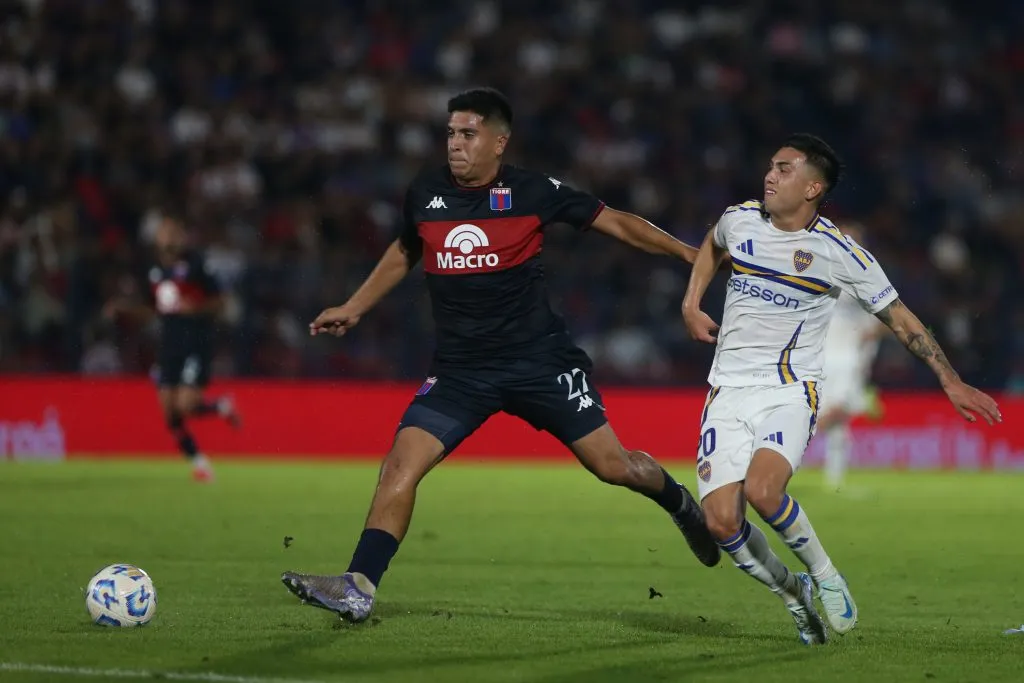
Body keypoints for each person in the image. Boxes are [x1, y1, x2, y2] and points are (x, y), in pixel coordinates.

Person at [281, 87, 720, 623]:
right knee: (400, 466)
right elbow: (405, 250)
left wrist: (687, 253)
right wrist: (355, 305)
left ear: (498, 142)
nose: (455, 145)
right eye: (450, 134)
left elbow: (616, 221)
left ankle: (678, 503)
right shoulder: (425, 192)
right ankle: (358, 585)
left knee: (615, 466)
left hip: (540, 363)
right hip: (461, 372)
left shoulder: (533, 190)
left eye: (468, 135)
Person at [681, 133, 1001, 645]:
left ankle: (827, 576)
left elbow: (899, 318)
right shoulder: (739, 218)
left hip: (789, 390)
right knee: (721, 526)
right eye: (770, 166)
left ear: (812, 188)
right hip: (727, 392)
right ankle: (794, 595)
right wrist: (691, 302)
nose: (770, 175)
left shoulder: (839, 253)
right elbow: (712, 244)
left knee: (764, 492)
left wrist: (950, 378)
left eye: (783, 169)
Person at [105, 215, 240, 482]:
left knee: (186, 405)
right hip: (168, 346)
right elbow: (151, 310)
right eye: (165, 232)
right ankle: (200, 464)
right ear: (157, 239)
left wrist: (197, 308)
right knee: (170, 413)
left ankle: (219, 407)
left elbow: (222, 302)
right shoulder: (153, 270)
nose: (170, 237)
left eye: (175, 232)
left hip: (195, 344)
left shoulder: (198, 265)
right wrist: (124, 310)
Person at [817, 221, 888, 491]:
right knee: (835, 414)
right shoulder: (825, 272)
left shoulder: (865, 274)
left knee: (840, 420)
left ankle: (834, 482)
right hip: (828, 356)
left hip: (847, 358)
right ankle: (791, 438)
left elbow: (880, 318)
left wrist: (873, 332)